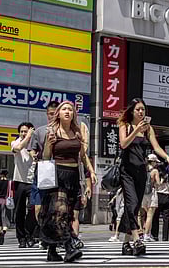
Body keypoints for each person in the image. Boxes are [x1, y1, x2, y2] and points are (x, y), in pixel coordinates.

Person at [41, 101, 97, 262]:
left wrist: (91, 172)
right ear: (58, 113)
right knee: (60, 211)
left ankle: (52, 251)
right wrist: (48, 144)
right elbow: (46, 156)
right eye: (64, 109)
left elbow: (83, 156)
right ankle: (68, 247)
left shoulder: (77, 132)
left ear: (73, 114)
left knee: (67, 214)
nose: (67, 112)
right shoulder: (52, 131)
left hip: (73, 175)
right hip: (58, 174)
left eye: (70, 110)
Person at [117, 98, 169, 256]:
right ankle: (136, 239)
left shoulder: (148, 129)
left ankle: (125, 243)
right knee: (132, 202)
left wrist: (166, 157)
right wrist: (136, 130)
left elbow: (156, 146)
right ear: (132, 111)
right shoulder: (125, 126)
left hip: (141, 171)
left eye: (143, 110)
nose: (141, 112)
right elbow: (123, 144)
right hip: (126, 170)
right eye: (138, 110)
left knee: (134, 207)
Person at [30, 100, 59, 249]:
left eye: (54, 114)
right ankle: (43, 233)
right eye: (49, 114)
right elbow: (32, 149)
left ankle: (53, 236)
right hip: (42, 170)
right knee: (38, 207)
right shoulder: (39, 131)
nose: (52, 117)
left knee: (55, 207)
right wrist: (33, 154)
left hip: (59, 170)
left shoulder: (65, 130)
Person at [11, 122, 36, 248]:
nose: (23, 133)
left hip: (33, 181)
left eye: (26, 131)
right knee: (19, 210)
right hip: (19, 181)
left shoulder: (36, 143)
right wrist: (27, 137)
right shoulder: (16, 142)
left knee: (33, 208)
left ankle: (29, 234)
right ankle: (21, 238)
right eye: (21, 131)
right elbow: (18, 148)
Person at [151, 161, 169, 241]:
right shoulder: (167, 176)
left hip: (157, 195)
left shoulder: (156, 175)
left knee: (155, 217)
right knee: (166, 218)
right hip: (166, 196)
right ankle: (165, 237)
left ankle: (155, 235)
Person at [141, 154, 160, 242]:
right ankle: (146, 235)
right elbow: (158, 184)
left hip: (143, 194)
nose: (156, 163)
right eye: (155, 162)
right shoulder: (155, 171)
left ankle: (143, 233)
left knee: (143, 214)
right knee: (150, 215)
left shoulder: (142, 169)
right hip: (151, 193)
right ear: (152, 161)